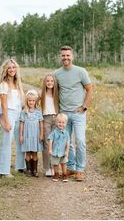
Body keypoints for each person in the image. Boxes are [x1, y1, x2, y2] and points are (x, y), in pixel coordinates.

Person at [53, 45, 93, 182]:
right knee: (67, 142)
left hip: (78, 113)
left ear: (72, 56)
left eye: (68, 55)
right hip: (64, 114)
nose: (65, 58)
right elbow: (55, 93)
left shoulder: (80, 71)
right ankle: (71, 166)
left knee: (80, 141)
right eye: (63, 55)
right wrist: (57, 111)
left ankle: (80, 169)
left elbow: (89, 89)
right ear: (60, 57)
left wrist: (84, 106)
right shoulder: (56, 74)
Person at [0, 59, 26, 177]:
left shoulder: (18, 84)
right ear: (5, 70)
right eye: (9, 68)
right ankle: (3, 170)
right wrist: (6, 121)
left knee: (20, 141)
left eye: (14, 67)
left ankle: (20, 166)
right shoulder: (3, 85)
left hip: (18, 113)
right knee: (6, 142)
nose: (12, 70)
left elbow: (20, 103)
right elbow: (3, 104)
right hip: (8, 113)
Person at [19, 89, 44, 177]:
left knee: (34, 153)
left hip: (35, 135)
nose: (31, 102)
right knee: (28, 153)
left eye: (33, 100)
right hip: (27, 135)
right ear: (27, 101)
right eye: (29, 100)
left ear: (35, 101)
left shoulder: (38, 111)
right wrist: (21, 135)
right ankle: (29, 169)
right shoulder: (24, 112)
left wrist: (41, 134)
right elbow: (22, 123)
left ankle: (35, 170)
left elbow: (41, 123)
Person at [40, 74, 59, 177]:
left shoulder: (56, 94)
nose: (50, 83)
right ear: (45, 83)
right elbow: (31, 99)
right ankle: (47, 167)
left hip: (56, 118)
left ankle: (54, 166)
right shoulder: (41, 94)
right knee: (47, 143)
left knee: (55, 143)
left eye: (52, 81)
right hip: (46, 119)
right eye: (47, 81)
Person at [48, 113, 70, 182]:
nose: (61, 124)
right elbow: (50, 141)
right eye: (59, 122)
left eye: (63, 122)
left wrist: (67, 151)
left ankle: (64, 174)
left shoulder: (66, 133)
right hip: (55, 151)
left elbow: (67, 142)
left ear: (65, 123)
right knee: (55, 164)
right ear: (56, 123)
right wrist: (50, 149)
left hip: (63, 152)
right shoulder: (54, 132)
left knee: (64, 163)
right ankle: (56, 174)